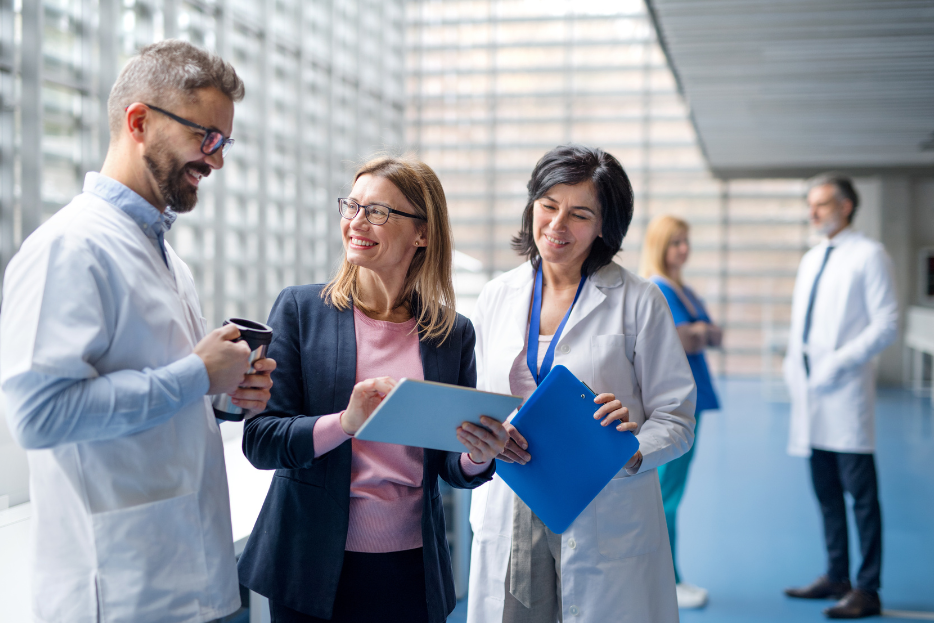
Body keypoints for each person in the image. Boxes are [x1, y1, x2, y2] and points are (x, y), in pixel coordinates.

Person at [0, 40, 276, 622]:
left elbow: (164, 394)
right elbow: (39, 417)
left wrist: (225, 394)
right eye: (207, 138)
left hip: (193, 581)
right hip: (120, 594)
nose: (217, 160)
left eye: (224, 142)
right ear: (139, 122)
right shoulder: (67, 249)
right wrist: (194, 374)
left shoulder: (171, 262)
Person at [236, 155, 510, 623]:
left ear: (422, 232)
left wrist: (478, 453)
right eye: (352, 206)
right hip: (309, 563)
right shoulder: (301, 310)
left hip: (410, 568)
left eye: (378, 212)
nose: (357, 222)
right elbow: (260, 441)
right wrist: (345, 423)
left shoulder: (452, 333)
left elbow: (450, 464)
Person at [466, 144, 697, 623]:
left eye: (580, 214)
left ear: (604, 226)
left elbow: (676, 417)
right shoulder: (496, 296)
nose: (557, 225)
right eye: (548, 206)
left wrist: (631, 447)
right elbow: (474, 398)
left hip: (603, 499)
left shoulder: (639, 300)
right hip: (513, 499)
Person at [783, 174, 898, 619]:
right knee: (826, 493)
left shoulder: (870, 256)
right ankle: (836, 575)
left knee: (861, 497)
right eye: (810, 204)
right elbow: (801, 325)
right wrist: (794, 367)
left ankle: (867, 588)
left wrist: (836, 363)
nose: (813, 212)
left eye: (822, 204)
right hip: (810, 395)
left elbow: (885, 324)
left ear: (847, 206)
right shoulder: (813, 258)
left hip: (845, 391)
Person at [639, 214, 721, 609]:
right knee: (667, 495)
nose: (683, 250)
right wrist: (698, 333)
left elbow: (709, 334)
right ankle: (669, 579)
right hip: (675, 405)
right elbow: (681, 339)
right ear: (660, 245)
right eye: (676, 243)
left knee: (672, 491)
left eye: (686, 242)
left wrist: (699, 333)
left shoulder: (681, 289)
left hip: (693, 402)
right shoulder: (659, 288)